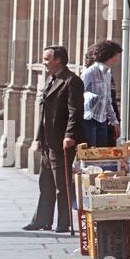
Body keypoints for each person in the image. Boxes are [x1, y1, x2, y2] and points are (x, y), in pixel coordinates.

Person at [23, 46, 84, 233]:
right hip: (48, 139)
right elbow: (44, 112)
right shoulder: (52, 79)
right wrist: (39, 137)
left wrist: (70, 135)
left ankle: (63, 222)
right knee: (46, 182)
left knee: (61, 184)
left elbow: (75, 111)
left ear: (58, 60)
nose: (44, 62)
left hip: (61, 140)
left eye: (46, 58)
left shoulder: (71, 81)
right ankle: (42, 220)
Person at [80, 40, 122, 147]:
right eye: (115, 55)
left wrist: (114, 121)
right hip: (88, 120)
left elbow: (108, 100)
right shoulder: (90, 72)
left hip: (102, 120)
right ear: (108, 55)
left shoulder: (107, 74)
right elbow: (77, 94)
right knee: (90, 153)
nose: (117, 59)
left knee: (101, 152)